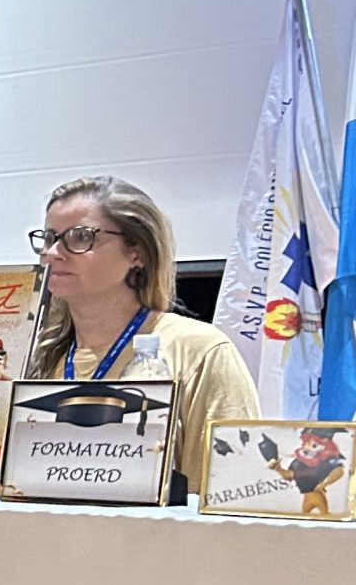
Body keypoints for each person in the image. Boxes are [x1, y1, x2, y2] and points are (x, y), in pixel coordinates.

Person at [28, 174, 254, 499]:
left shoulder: (200, 350)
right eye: (49, 238)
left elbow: (234, 492)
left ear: (137, 253)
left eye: (79, 237)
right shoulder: (35, 355)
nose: (53, 252)